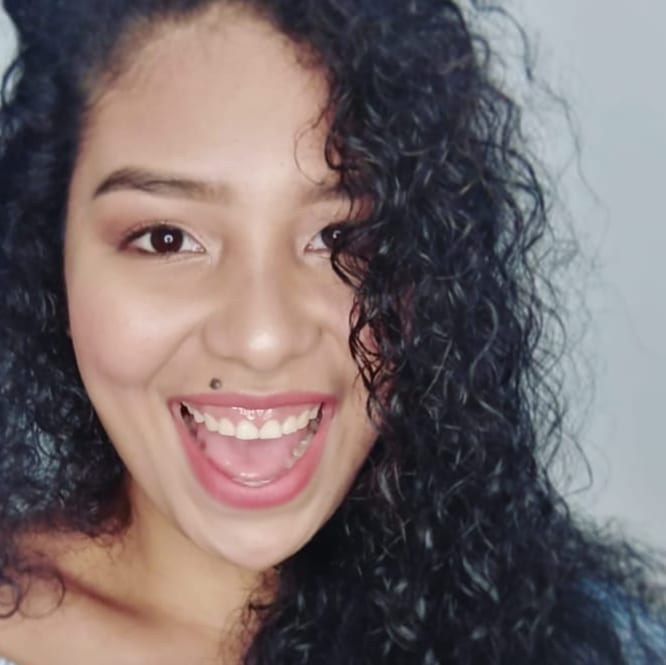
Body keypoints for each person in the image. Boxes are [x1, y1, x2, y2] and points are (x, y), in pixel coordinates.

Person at [0, 0, 664, 663]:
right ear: (50, 258)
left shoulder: (593, 640)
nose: (262, 338)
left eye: (341, 239)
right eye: (166, 238)